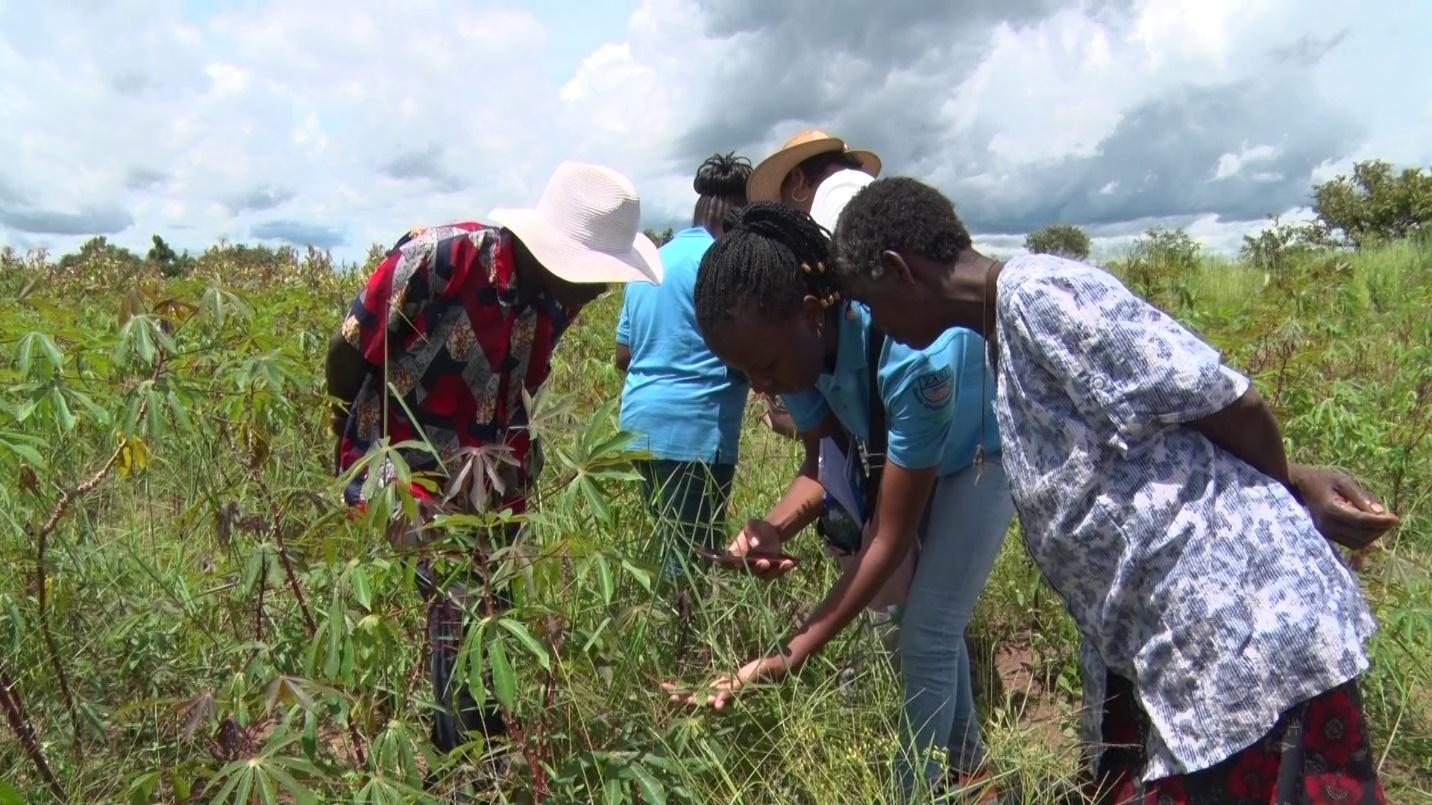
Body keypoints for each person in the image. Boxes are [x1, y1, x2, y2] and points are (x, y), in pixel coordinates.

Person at [823, 176, 1401, 802]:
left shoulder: (1040, 297)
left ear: (897, 270)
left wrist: (1285, 489)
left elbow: (1228, 399)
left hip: (1239, 633)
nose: (876, 324)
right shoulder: (1005, 338)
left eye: (870, 303)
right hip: (1173, 649)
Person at [679, 202, 1015, 799]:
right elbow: (823, 462)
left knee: (931, 627)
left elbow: (885, 541)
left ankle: (915, 792)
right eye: (746, 372)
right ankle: (982, 780)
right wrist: (775, 526)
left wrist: (790, 653)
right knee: (922, 617)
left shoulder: (914, 359)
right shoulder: (800, 359)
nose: (761, 387)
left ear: (811, 315)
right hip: (916, 461)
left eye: (765, 366)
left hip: (980, 459)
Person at [325, 161, 662, 755]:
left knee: (488, 612)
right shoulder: (440, 258)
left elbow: (519, 386)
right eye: (593, 274)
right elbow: (348, 346)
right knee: (456, 607)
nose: (599, 290)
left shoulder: (555, 301)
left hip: (491, 488)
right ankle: (465, 763)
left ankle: (476, 740)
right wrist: (350, 442)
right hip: (407, 473)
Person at [614, 153, 752, 579]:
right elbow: (748, 348)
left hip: (637, 426)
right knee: (692, 560)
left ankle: (669, 633)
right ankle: (686, 643)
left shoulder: (652, 260)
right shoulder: (726, 262)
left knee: (665, 544)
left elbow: (623, 355)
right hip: (695, 429)